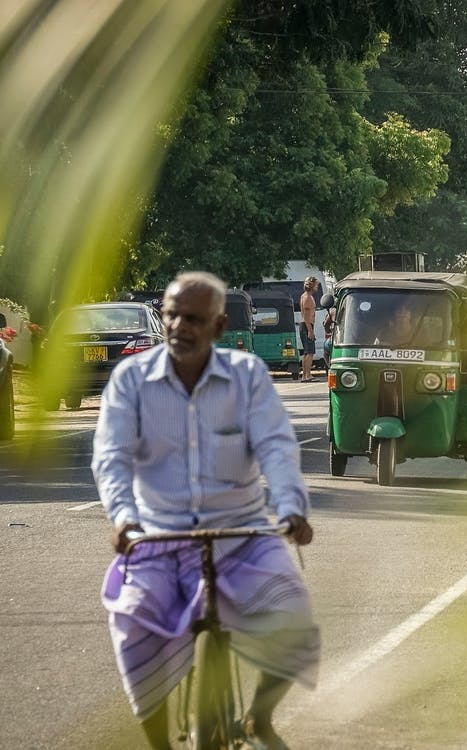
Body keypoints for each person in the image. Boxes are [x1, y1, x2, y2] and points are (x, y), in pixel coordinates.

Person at [92, 271, 320, 750]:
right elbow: (112, 457)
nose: (180, 326)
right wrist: (123, 518)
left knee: (294, 612)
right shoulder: (131, 380)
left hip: (242, 536)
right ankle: (158, 744)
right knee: (133, 622)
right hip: (158, 538)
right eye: (172, 315)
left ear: (218, 327)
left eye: (194, 319)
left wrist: (291, 508)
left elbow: (276, 448)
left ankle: (259, 718)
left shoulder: (247, 376)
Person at [299, 276, 318, 382]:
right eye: (316, 285)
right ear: (312, 285)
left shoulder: (305, 296)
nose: (317, 287)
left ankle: (305, 375)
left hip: (306, 325)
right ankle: (307, 375)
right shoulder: (307, 298)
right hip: (307, 325)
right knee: (309, 352)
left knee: (307, 352)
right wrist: (310, 331)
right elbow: (306, 315)